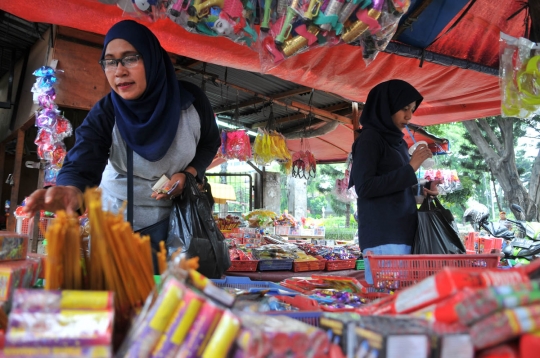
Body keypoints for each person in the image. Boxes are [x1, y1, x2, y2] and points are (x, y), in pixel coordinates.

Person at [23, 20, 221, 270]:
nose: (119, 71)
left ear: (152, 59)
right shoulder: (106, 112)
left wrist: (189, 174)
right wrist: (70, 189)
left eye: (130, 58)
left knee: (173, 302)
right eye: (110, 61)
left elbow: (209, 143)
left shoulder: (192, 103)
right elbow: (84, 158)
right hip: (118, 227)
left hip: (180, 224)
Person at [349, 79, 434, 284]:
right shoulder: (370, 139)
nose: (409, 116)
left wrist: (423, 192)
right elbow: (365, 187)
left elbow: (396, 188)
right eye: (404, 108)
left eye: (412, 109)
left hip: (405, 233)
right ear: (385, 106)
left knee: (404, 302)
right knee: (387, 301)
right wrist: (410, 168)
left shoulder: (398, 143)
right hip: (383, 236)